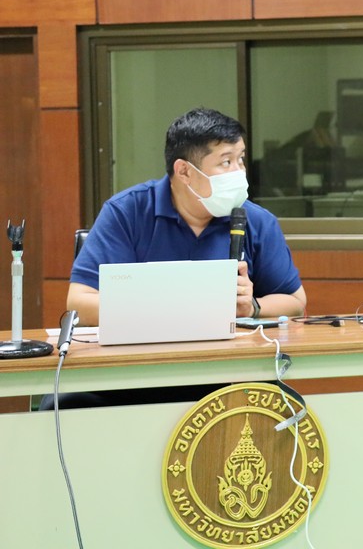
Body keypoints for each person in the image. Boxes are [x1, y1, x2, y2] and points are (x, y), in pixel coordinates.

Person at [56, 107, 306, 406]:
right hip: (134, 372)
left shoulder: (256, 220)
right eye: (226, 162)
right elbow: (79, 303)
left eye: (240, 159)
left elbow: (295, 301)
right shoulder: (127, 212)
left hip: (228, 373)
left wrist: (252, 306)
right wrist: (173, 306)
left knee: (281, 405)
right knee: (67, 404)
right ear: (184, 171)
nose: (239, 172)